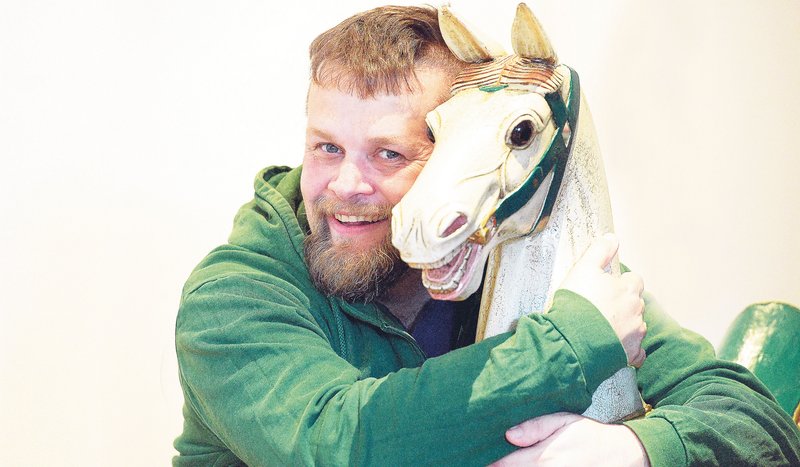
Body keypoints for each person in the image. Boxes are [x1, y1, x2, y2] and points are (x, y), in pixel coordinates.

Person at [173, 6, 800, 466]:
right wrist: (572, 343)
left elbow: (758, 424)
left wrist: (633, 450)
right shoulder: (233, 296)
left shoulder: (517, 252)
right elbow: (337, 444)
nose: (345, 184)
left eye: (390, 154)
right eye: (326, 147)